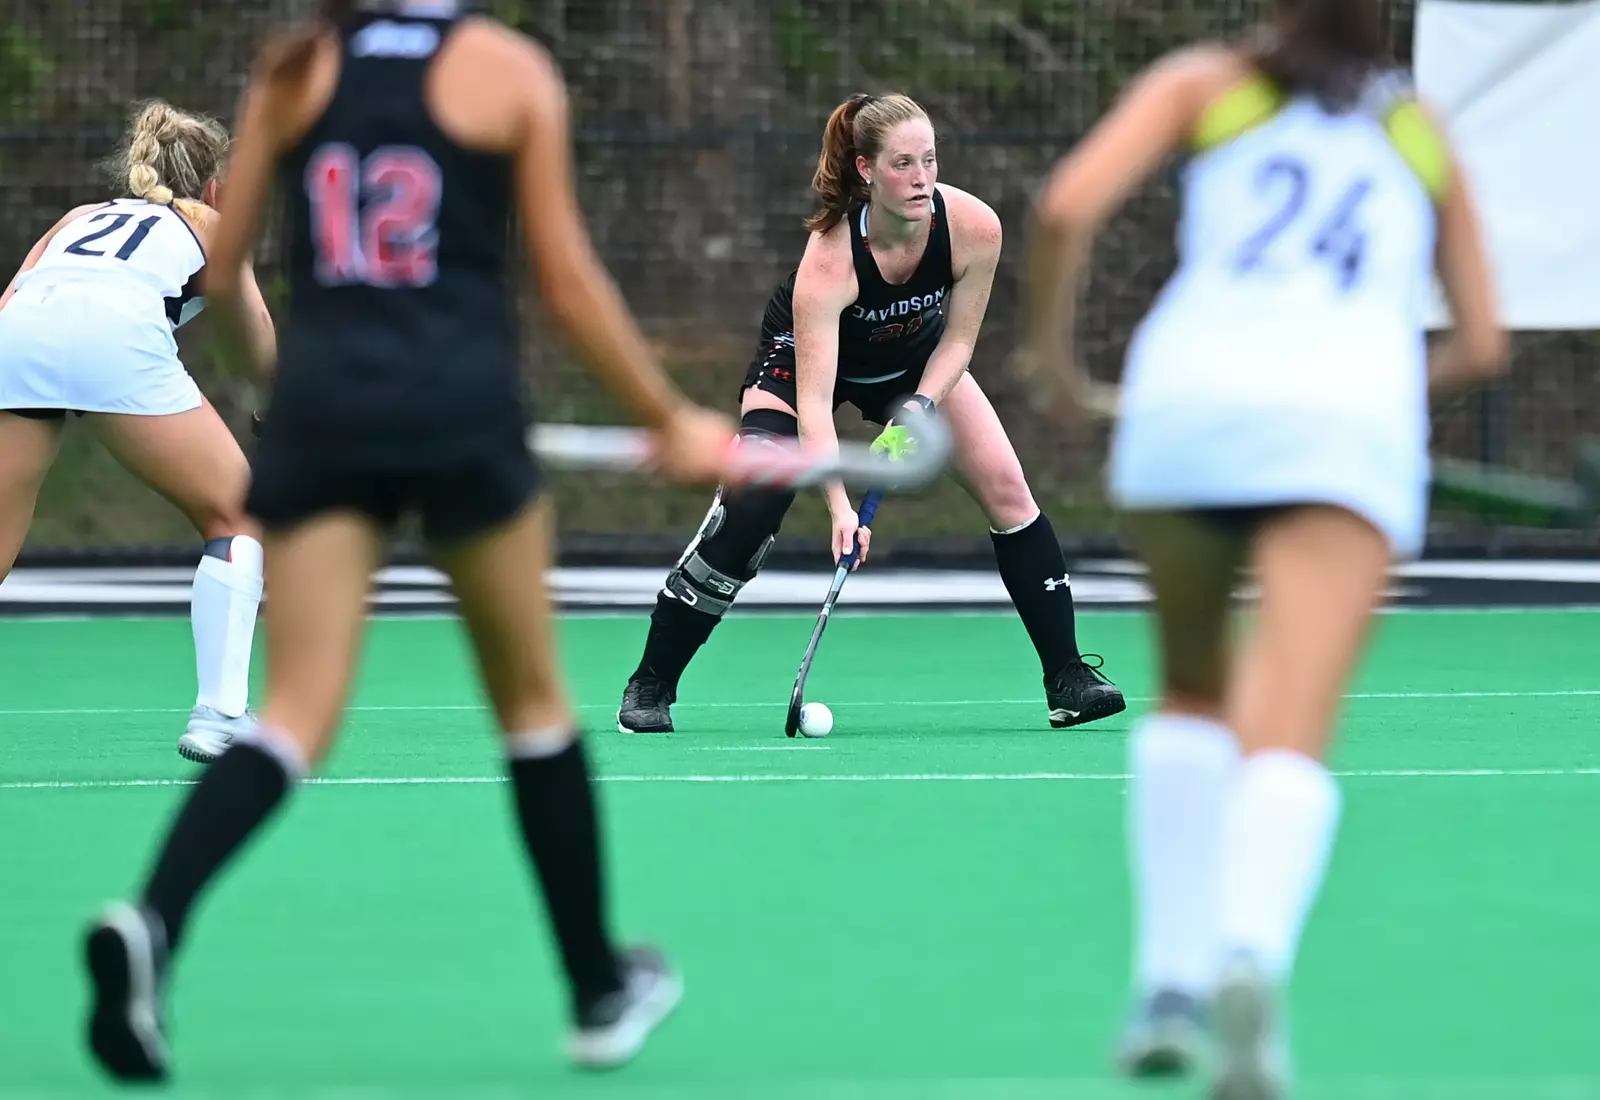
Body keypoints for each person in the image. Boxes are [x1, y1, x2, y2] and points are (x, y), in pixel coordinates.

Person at [80, 0, 733, 1083]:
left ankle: (153, 921)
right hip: (461, 412)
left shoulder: (293, 69)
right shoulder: (506, 70)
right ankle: (595, 988)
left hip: (326, 417)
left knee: (294, 712)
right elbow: (566, 285)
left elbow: (227, 274)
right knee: (530, 703)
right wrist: (665, 418)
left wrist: (279, 397)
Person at [1016, 0, 1506, 1095]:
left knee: (1190, 693)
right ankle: (1249, 948)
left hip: (1185, 403)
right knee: (1287, 729)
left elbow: (1063, 205)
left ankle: (1166, 980)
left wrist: (1051, 364)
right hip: (1344, 426)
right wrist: (1384, 399)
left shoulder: (1204, 81)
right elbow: (1481, 340)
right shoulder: (1416, 127)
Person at [617, 92, 1127, 735]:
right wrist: (838, 508)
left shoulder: (975, 229)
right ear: (866, 171)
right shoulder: (829, 264)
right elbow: (813, 404)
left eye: (930, 161)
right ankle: (652, 682)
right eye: (903, 164)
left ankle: (1068, 677)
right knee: (753, 504)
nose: (921, 179)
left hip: (915, 367)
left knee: (1008, 486)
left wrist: (917, 409)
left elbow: (959, 343)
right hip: (805, 369)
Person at [0, 101, 273, 764]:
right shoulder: (211, 222)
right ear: (212, 187)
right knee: (238, 516)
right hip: (114, 338)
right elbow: (256, 336)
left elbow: (13, 300)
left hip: (19, 339)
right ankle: (219, 716)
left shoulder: (77, 218)